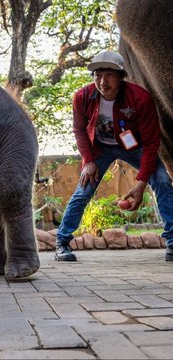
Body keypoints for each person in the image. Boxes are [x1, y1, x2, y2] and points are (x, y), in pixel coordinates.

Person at [55, 50, 173, 262]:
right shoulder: (82, 97)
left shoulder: (140, 98)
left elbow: (151, 142)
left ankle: (172, 242)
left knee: (163, 180)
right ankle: (61, 243)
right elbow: (79, 130)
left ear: (121, 76)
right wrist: (89, 161)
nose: (103, 81)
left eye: (109, 75)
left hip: (134, 147)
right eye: (97, 75)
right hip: (100, 148)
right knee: (84, 189)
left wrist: (141, 182)